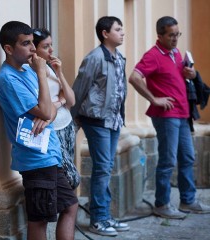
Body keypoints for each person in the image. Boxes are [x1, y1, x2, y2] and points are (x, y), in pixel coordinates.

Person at [0, 21, 78, 240]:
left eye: (33, 42)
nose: (33, 48)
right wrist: (41, 73)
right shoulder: (8, 78)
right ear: (9, 49)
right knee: (39, 220)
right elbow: (45, 109)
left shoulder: (27, 71)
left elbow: (50, 108)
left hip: (51, 154)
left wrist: (46, 113)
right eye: (26, 43)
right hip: (35, 159)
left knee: (70, 206)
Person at [128, 16, 210, 219]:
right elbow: (134, 77)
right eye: (171, 35)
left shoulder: (176, 53)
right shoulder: (153, 55)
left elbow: (177, 77)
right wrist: (154, 99)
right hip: (166, 116)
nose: (175, 39)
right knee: (168, 160)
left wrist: (190, 74)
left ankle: (187, 200)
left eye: (177, 34)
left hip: (183, 114)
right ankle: (162, 204)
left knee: (188, 157)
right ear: (160, 35)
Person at [71, 16, 129, 236]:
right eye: (118, 29)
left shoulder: (119, 57)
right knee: (103, 168)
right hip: (96, 120)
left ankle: (105, 215)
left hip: (113, 120)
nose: (122, 33)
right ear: (105, 33)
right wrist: (72, 119)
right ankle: (98, 219)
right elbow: (80, 87)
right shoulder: (95, 57)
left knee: (106, 167)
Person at [32, 28, 80, 189]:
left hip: (67, 125)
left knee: (69, 175)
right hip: (53, 129)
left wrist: (59, 72)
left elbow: (71, 100)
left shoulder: (51, 67)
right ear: (35, 48)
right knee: (71, 178)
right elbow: (44, 106)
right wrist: (60, 102)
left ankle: (68, 210)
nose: (51, 50)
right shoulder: (32, 73)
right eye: (46, 46)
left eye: (51, 45)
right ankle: (66, 209)